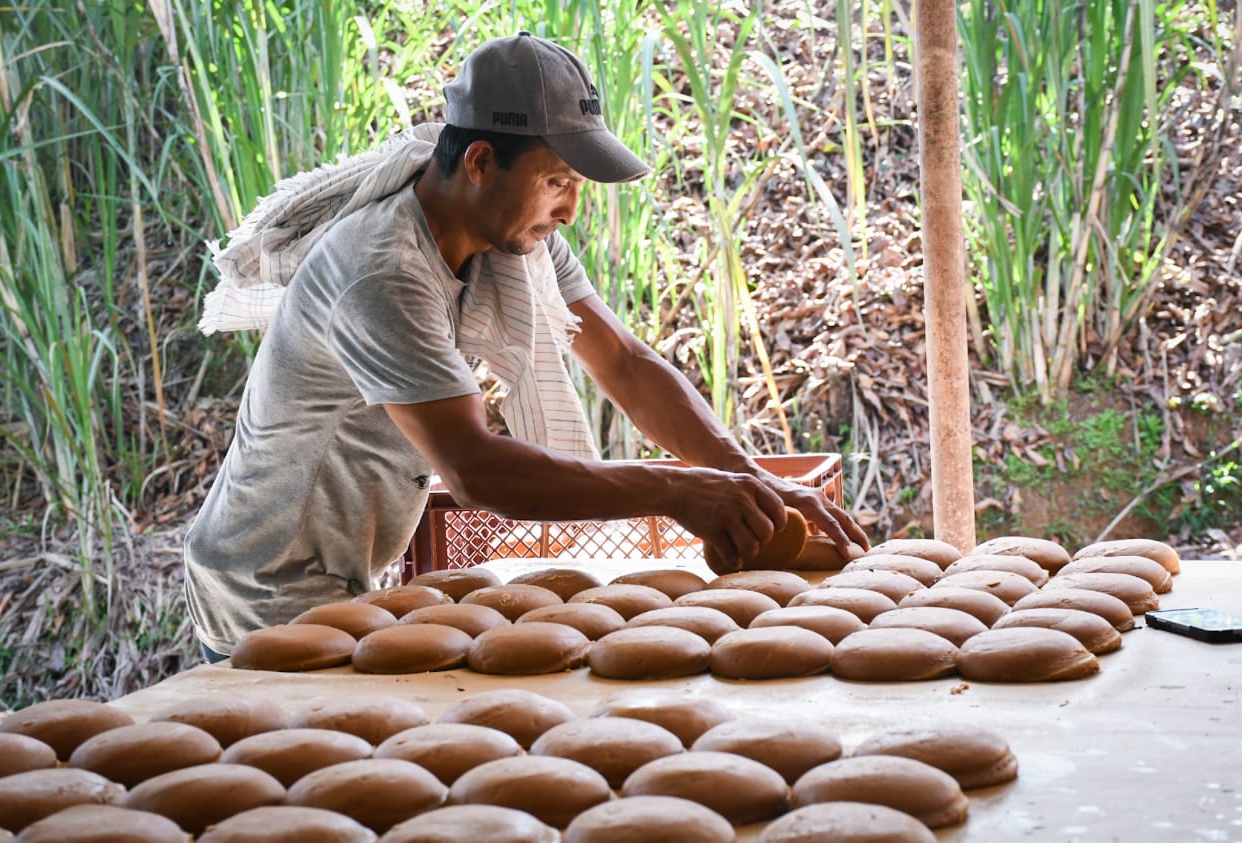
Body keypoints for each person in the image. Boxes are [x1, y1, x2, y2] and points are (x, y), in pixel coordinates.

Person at [185, 32, 869, 661]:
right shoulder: (384, 273)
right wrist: (674, 488)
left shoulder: (516, 242)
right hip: (268, 590)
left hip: (349, 570)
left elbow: (626, 365)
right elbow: (476, 468)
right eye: (557, 182)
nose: (569, 208)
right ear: (480, 161)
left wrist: (745, 477)